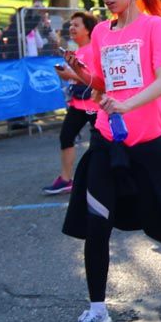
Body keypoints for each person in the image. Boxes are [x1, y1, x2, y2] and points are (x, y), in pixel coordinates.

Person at [60, 0, 161, 322]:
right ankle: (97, 309)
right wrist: (81, 74)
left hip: (148, 145)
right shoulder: (102, 33)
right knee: (96, 224)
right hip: (107, 142)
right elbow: (104, 83)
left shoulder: (154, 27)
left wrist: (127, 104)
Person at [43, 12, 100, 194]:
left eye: (77, 25)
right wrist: (66, 73)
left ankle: (107, 179)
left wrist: (70, 75)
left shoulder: (93, 50)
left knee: (103, 144)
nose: (72, 28)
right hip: (78, 104)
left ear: (88, 30)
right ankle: (66, 179)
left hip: (94, 105)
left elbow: (97, 80)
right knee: (66, 137)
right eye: (71, 25)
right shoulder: (77, 51)